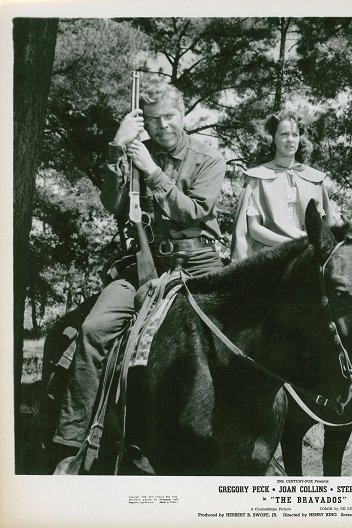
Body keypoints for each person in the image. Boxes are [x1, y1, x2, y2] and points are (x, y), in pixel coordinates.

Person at [53, 79, 226, 455]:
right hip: (141, 264)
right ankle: (73, 441)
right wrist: (117, 148)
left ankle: (240, 439)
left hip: (198, 261)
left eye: (170, 116)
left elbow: (193, 211)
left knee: (229, 339)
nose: (163, 125)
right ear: (142, 121)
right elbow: (113, 205)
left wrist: (150, 170)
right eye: (152, 119)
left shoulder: (209, 158)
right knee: (93, 330)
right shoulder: (132, 151)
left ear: (183, 115)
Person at [230, 112, 332, 261]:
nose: (290, 139)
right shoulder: (257, 177)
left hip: (309, 258)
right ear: (273, 138)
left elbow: (326, 229)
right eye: (284, 134)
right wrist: (292, 243)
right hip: (272, 258)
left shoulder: (315, 179)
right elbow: (253, 229)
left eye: (295, 135)